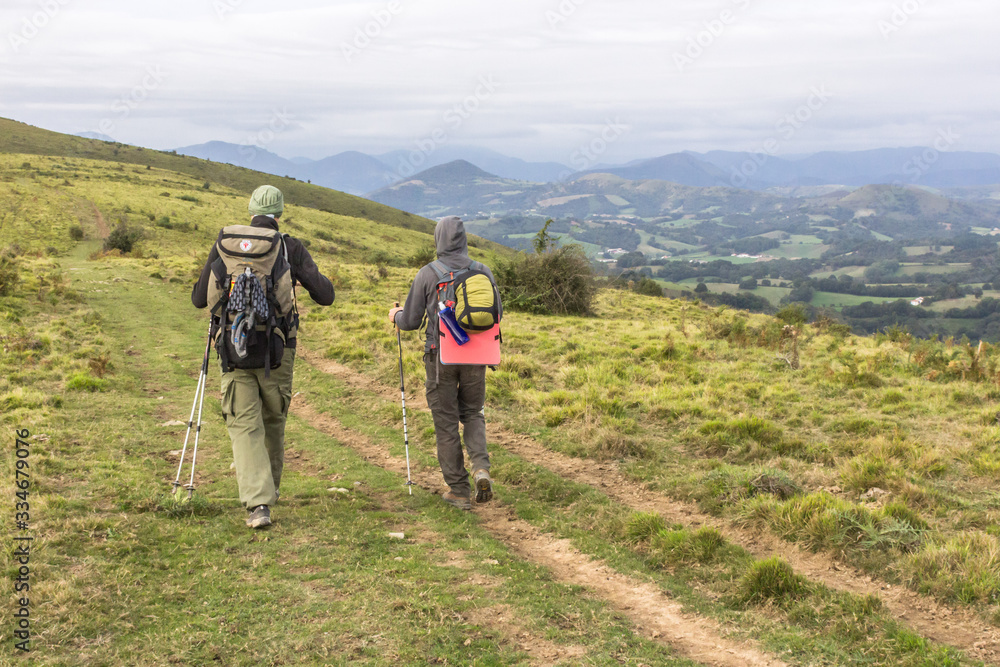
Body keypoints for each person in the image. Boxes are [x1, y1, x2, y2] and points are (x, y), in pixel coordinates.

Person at [192, 185, 334, 528]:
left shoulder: (225, 244)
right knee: (273, 419)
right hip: (278, 349)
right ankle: (269, 491)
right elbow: (326, 295)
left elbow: (199, 298)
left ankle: (259, 504)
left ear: (251, 210)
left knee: (243, 424)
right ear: (280, 214)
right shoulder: (289, 246)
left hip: (232, 346)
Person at [389, 216, 499, 511]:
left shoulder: (428, 273)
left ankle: (460, 491)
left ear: (438, 239)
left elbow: (410, 322)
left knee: (447, 422)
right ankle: (480, 469)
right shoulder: (482, 271)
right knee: (473, 412)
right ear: (463, 238)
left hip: (440, 359)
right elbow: (495, 314)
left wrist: (395, 315)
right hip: (477, 357)